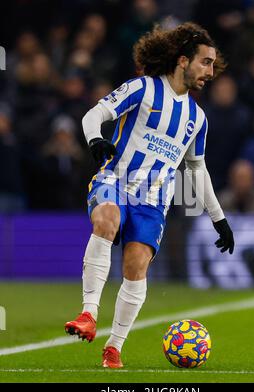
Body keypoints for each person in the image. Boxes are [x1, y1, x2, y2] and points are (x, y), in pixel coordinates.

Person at [65, 22, 235, 368]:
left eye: (214, 65)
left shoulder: (197, 118)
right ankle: (88, 314)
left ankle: (114, 347)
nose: (211, 71)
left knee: (136, 265)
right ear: (183, 60)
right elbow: (95, 114)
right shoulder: (142, 89)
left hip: (153, 201)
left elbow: (197, 170)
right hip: (115, 180)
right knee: (107, 218)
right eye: (205, 62)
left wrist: (219, 219)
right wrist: (96, 139)